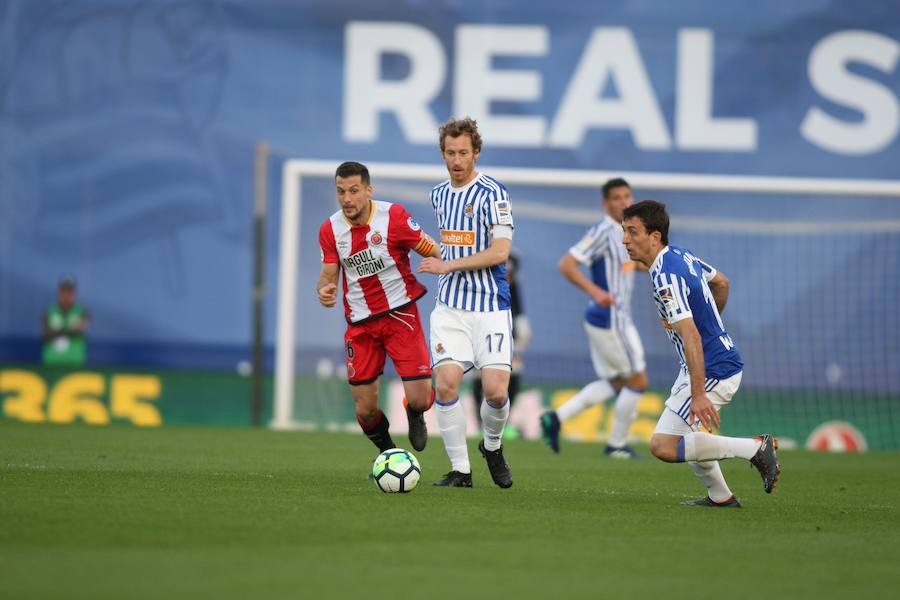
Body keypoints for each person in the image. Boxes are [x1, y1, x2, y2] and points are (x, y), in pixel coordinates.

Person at [621, 200, 781, 507]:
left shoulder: (665, 279)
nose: (625, 240)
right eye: (624, 231)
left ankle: (756, 448)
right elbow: (721, 281)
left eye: (632, 232)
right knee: (688, 434)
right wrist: (713, 325)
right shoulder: (681, 255)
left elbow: (691, 334)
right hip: (712, 361)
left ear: (655, 237)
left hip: (713, 369)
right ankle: (721, 497)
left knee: (664, 446)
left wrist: (697, 392)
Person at [418, 117, 515, 489]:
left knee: (496, 392)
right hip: (450, 308)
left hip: (490, 307)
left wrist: (447, 264)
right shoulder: (439, 194)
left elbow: (500, 252)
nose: (456, 160)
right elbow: (450, 242)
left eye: (463, 153)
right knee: (445, 385)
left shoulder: (494, 194)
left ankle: (492, 447)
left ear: (476, 152)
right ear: (442, 154)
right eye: (449, 153)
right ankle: (461, 471)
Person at [317, 161, 438, 456]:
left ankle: (414, 412)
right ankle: (389, 454)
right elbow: (328, 276)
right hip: (361, 326)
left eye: (354, 191)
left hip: (401, 316)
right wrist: (324, 291)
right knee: (366, 408)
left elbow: (429, 247)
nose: (347, 199)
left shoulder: (393, 217)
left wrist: (446, 262)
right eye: (341, 192)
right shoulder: (330, 230)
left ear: (368, 190)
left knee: (421, 398)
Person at [539, 178, 647, 458]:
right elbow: (567, 264)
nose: (624, 202)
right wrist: (596, 291)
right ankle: (617, 445)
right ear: (606, 203)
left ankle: (557, 418)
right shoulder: (603, 232)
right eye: (616, 198)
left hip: (612, 317)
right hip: (611, 316)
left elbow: (626, 266)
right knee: (638, 381)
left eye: (627, 196)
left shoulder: (627, 232)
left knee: (617, 382)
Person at [472, 250, 531, 437]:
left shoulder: (513, 288)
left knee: (515, 370)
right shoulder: (480, 284)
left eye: (509, 276)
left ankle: (505, 423)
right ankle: (480, 425)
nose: (506, 278)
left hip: (505, 335)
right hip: (480, 331)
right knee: (477, 375)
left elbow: (520, 320)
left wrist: (518, 347)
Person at [42, 276, 89, 365]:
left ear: (74, 293)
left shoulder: (82, 312)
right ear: (59, 292)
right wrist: (70, 330)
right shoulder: (49, 312)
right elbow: (45, 334)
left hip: (74, 364)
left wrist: (55, 331)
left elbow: (80, 331)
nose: (66, 295)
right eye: (63, 291)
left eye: (69, 291)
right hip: (51, 363)